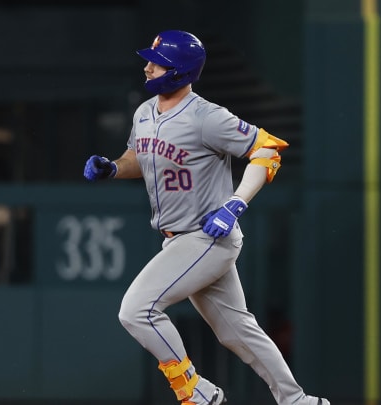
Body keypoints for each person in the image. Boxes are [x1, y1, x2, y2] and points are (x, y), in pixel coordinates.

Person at [83, 30, 330, 405]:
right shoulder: (145, 113)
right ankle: (297, 400)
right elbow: (140, 156)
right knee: (238, 332)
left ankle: (195, 391)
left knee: (137, 310)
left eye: (157, 62)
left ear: (179, 72)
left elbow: (268, 151)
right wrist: (114, 169)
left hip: (207, 235)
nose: (148, 67)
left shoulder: (206, 117)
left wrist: (236, 203)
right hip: (178, 238)